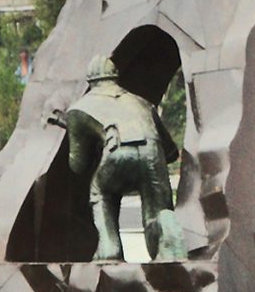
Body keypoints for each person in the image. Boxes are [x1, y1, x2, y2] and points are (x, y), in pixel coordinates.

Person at [66, 55, 187, 261]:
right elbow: (171, 153)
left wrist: (84, 136)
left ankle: (109, 247)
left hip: (117, 154)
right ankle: (165, 228)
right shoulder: (142, 102)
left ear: (91, 82)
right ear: (115, 78)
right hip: (153, 153)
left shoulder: (78, 109)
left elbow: (78, 166)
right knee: (156, 211)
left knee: (101, 192)